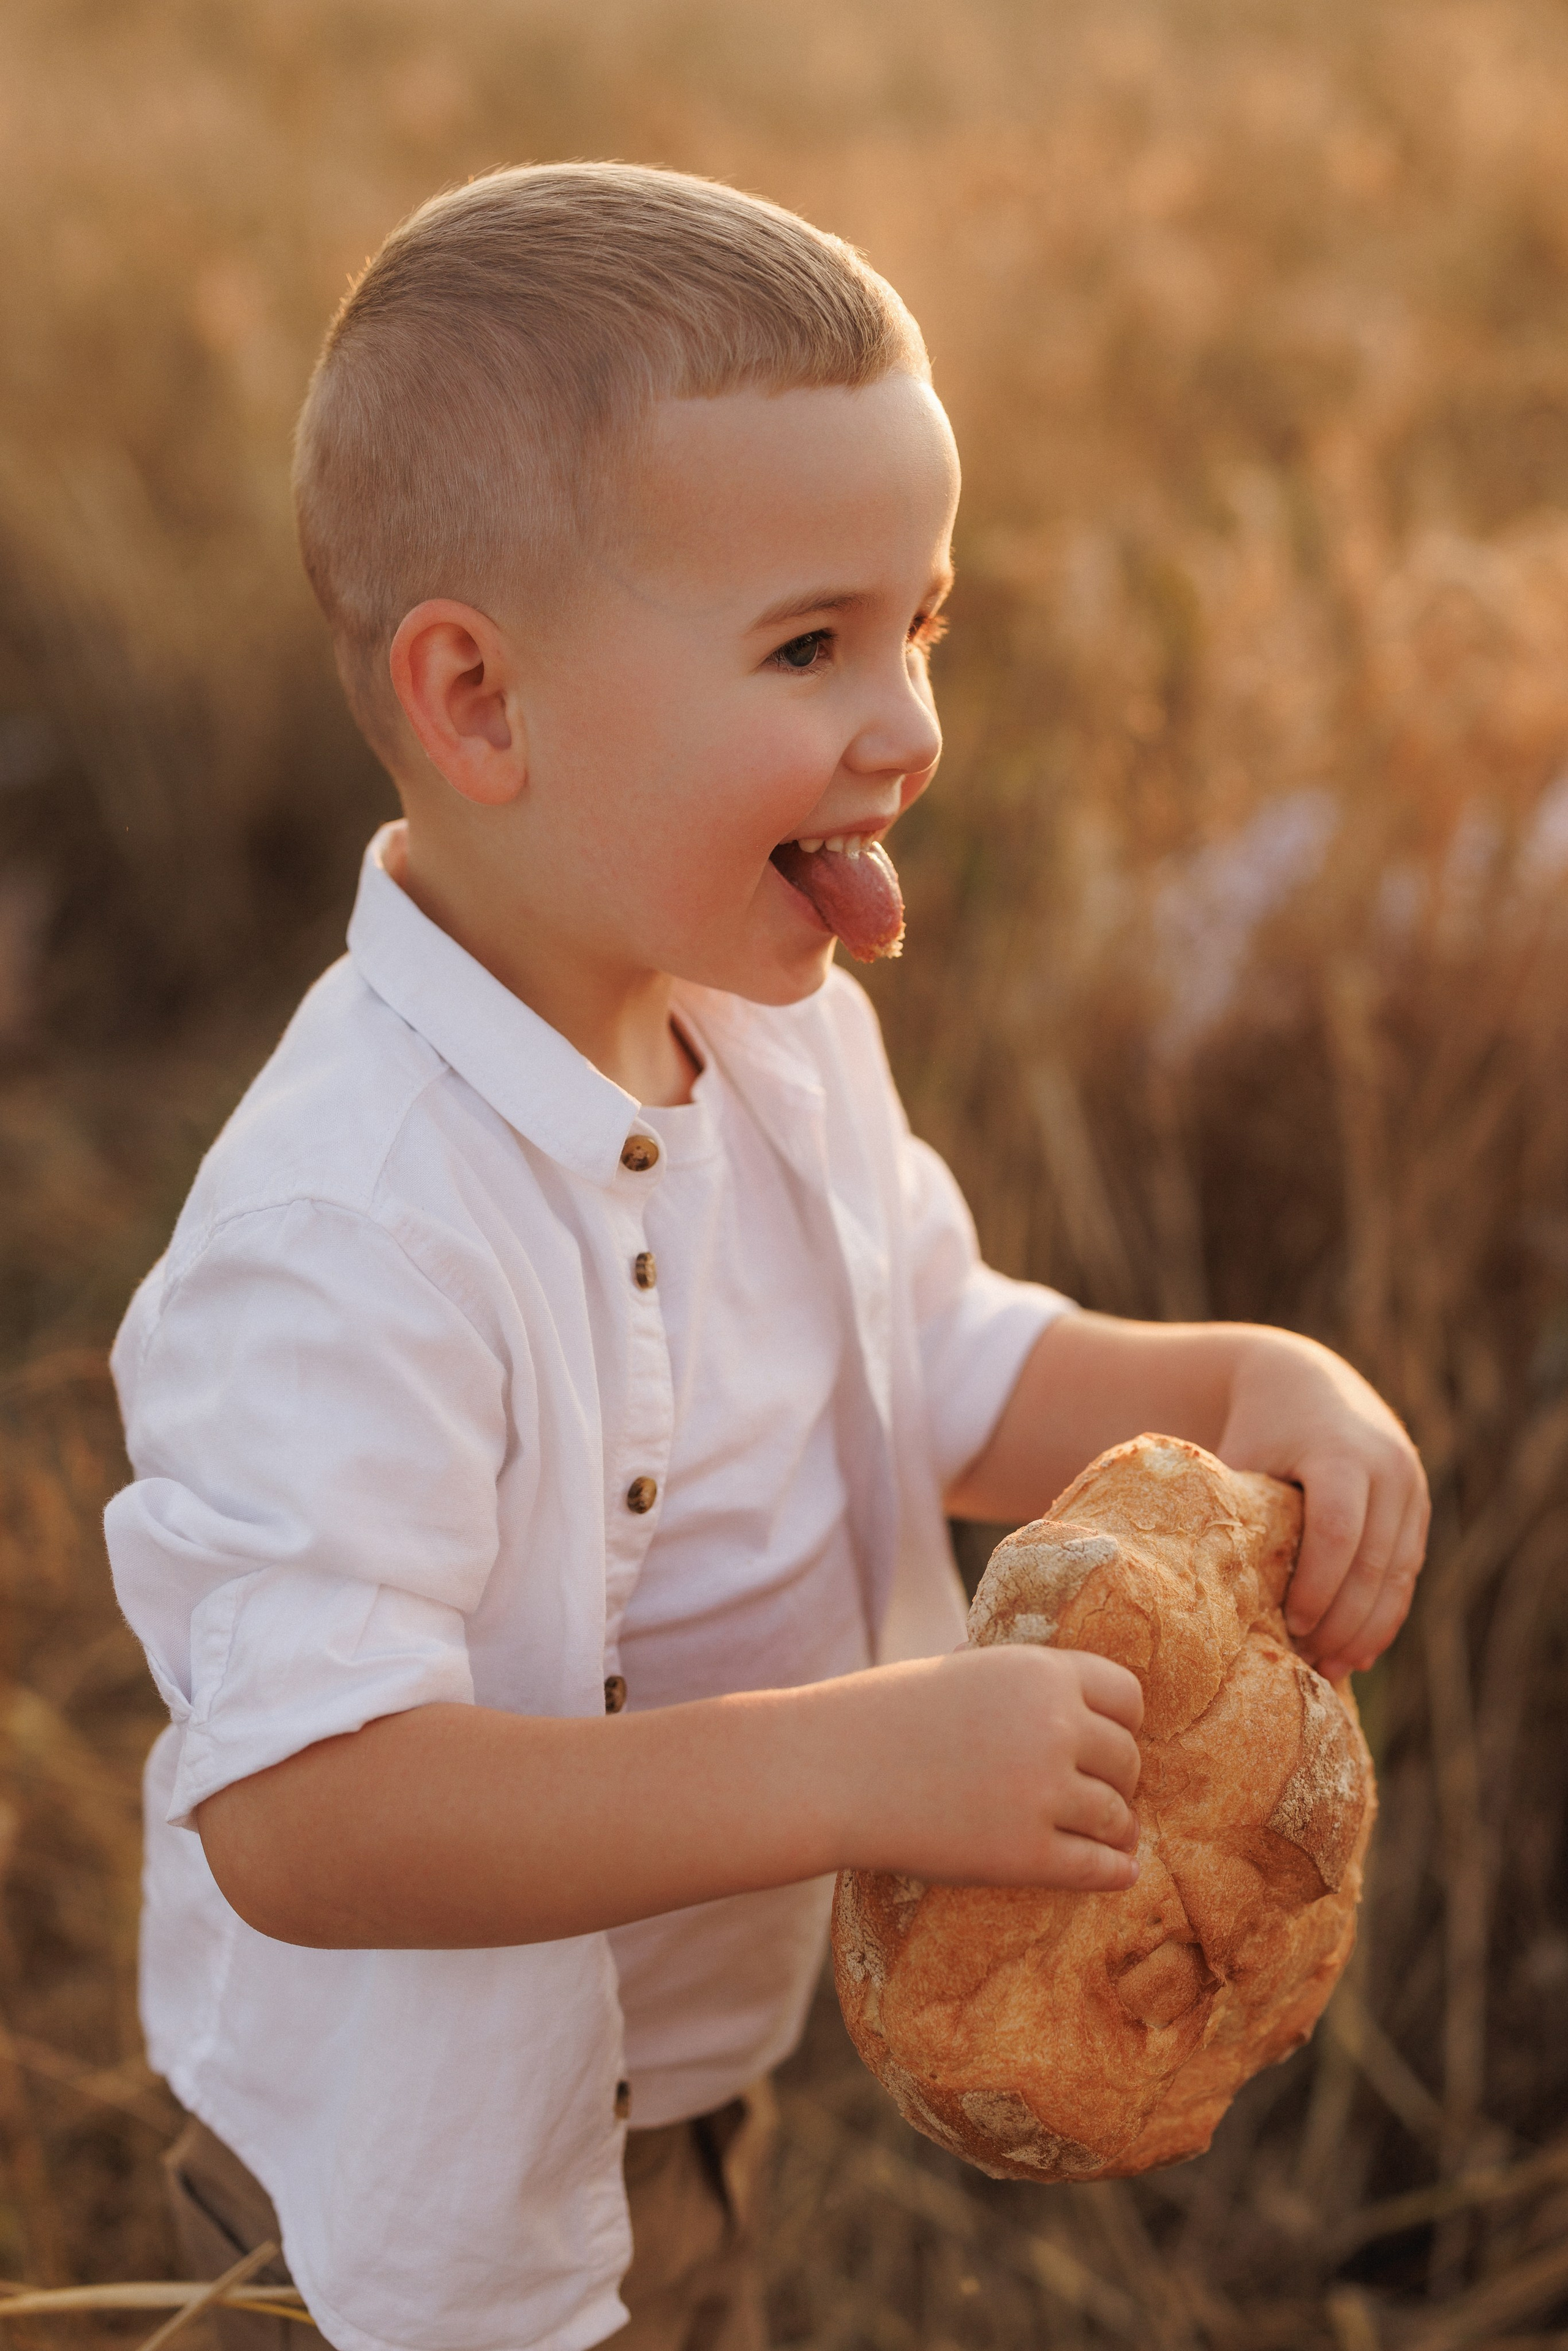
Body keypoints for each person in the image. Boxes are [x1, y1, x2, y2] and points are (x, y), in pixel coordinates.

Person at [105, 164, 1428, 2351]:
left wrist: (1238, 1382)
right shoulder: (350, 1233)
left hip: (683, 2101)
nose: (906, 721)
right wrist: (859, 1766)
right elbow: (310, 1814)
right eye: (810, 643)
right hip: (381, 2199)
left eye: (924, 621)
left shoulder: (785, 1043)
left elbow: (939, 1361)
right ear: (482, 704)